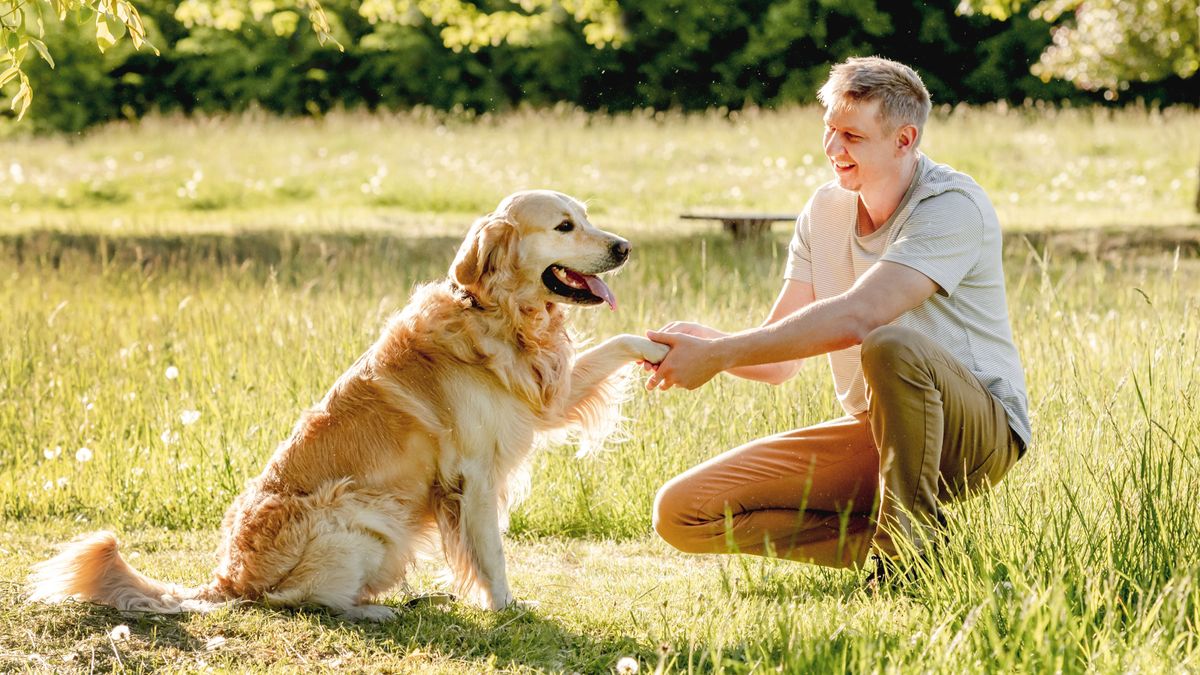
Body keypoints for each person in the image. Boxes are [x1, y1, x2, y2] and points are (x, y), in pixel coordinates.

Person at [644, 56, 1030, 574]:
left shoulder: (952, 205)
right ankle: (922, 557)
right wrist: (703, 341)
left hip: (974, 436)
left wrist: (717, 355)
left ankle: (904, 554)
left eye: (851, 136)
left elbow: (861, 316)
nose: (832, 149)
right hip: (877, 434)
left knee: (890, 344)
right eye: (829, 130)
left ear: (904, 139)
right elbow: (778, 364)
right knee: (682, 513)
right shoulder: (824, 211)